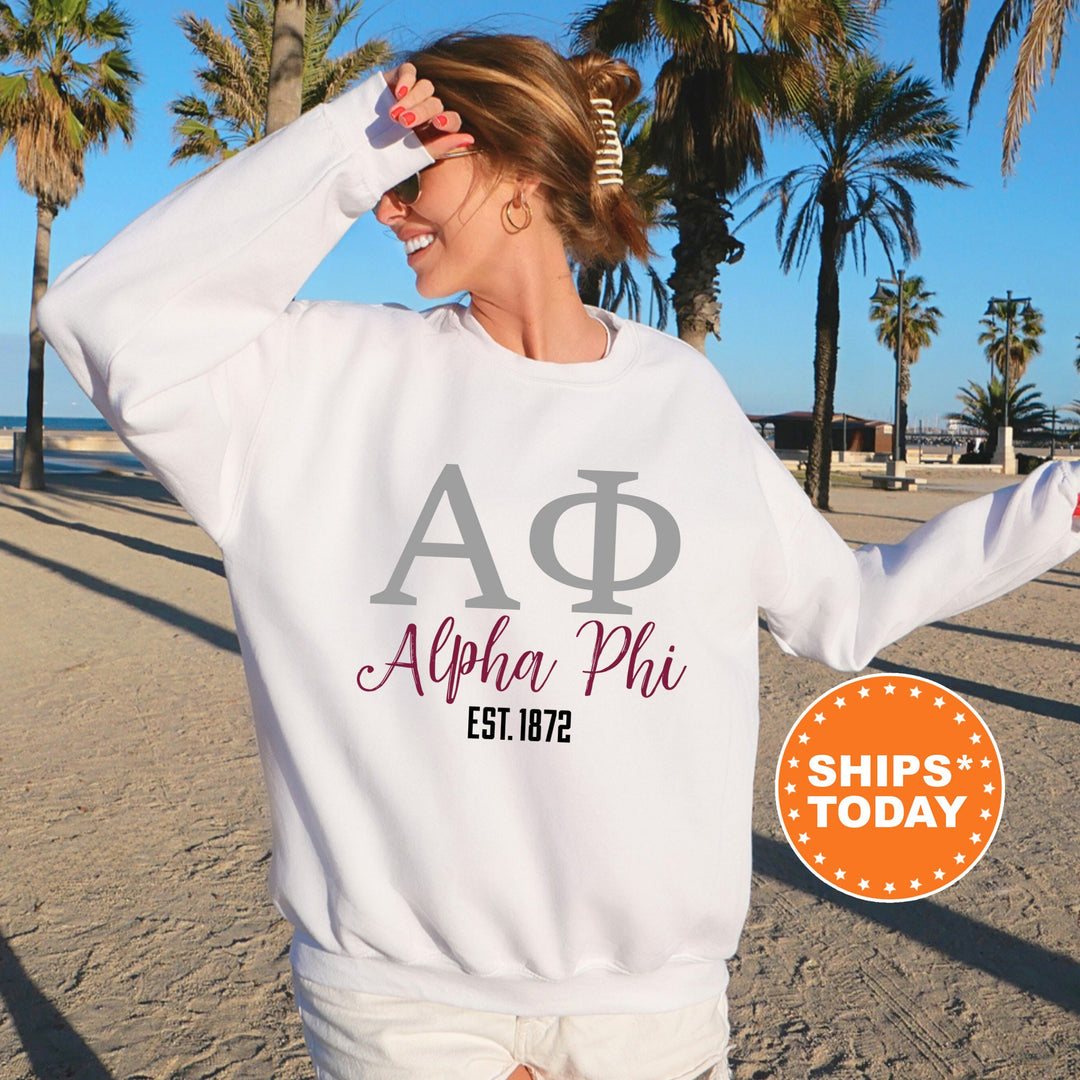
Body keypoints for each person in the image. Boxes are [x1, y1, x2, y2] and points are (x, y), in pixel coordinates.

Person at [36, 31, 1080, 1080]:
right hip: (400, 1007)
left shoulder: (680, 398)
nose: (391, 208)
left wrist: (1063, 499)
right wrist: (359, 139)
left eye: (415, 173)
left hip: (650, 1014)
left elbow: (841, 610)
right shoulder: (316, 380)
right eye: (388, 176)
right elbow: (102, 315)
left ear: (521, 169)